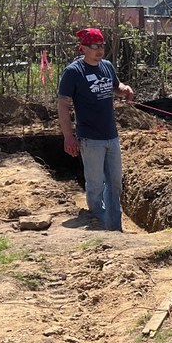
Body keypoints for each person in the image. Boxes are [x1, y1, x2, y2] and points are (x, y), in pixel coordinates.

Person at [57, 27, 135, 231]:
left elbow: (115, 87)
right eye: (94, 46)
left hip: (111, 135)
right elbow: (63, 104)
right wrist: (68, 136)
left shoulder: (107, 66)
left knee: (115, 183)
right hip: (90, 138)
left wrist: (124, 89)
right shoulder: (73, 72)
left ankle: (114, 226)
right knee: (95, 184)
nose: (100, 50)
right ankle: (98, 223)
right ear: (83, 48)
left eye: (102, 45)